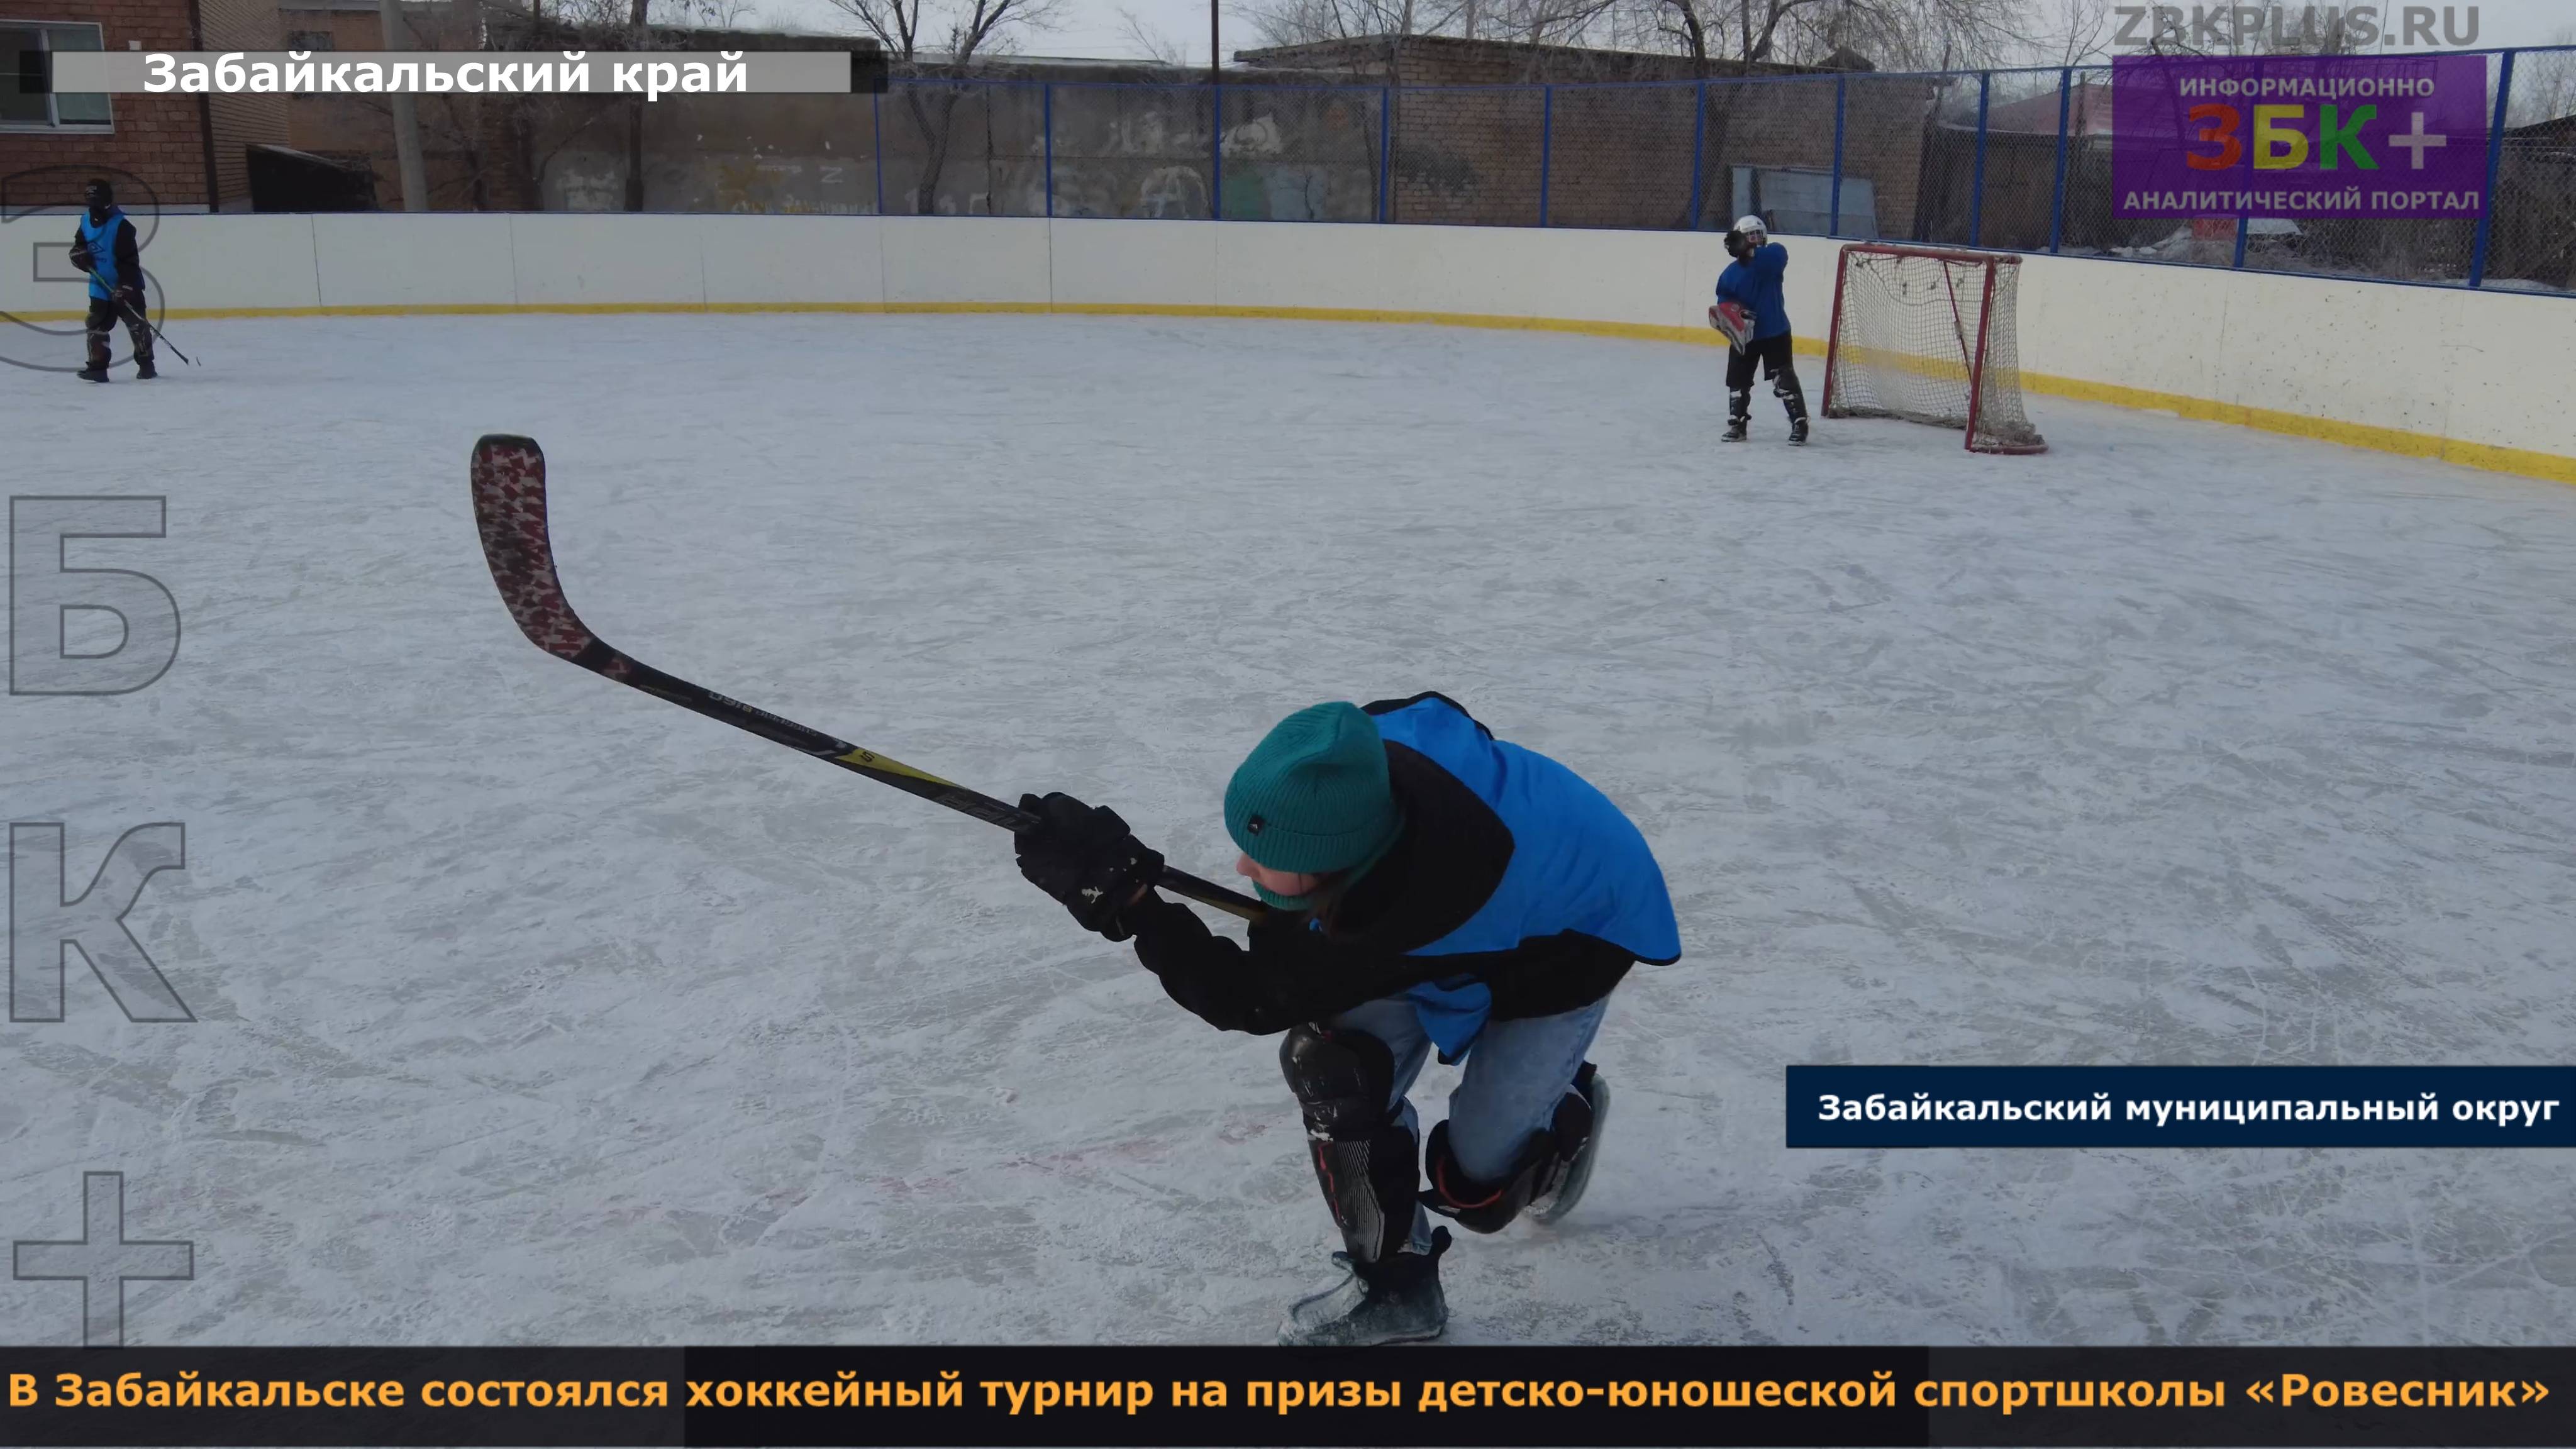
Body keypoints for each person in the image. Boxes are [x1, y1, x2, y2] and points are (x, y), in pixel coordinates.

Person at [1012, 692, 1680, 1346]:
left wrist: (1131, 906)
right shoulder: (1352, 762)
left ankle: (1563, 1117)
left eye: (1273, 859)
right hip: (1465, 896)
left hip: (1572, 939)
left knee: (1480, 1189)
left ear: (1343, 861)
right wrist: (1141, 887)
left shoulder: (1408, 908)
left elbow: (1251, 997)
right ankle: (1396, 1287)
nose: (1244, 868)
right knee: (1334, 1065)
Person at [1714, 214, 1803, 444]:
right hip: (1745, 335)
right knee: (1738, 380)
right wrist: (1735, 315)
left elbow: (1775, 257)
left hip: (1775, 331)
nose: (1753, 240)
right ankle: (1737, 423)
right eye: (1748, 237)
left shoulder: (1774, 255)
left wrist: (1750, 251)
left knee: (1784, 380)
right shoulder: (1730, 274)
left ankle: (1799, 422)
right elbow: (1724, 300)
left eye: (1757, 236)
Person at [69, 178, 153, 382]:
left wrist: (124, 286)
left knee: (137, 326)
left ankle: (146, 365)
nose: (94, 208)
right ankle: (98, 368)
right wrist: (78, 254)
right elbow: (80, 244)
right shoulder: (85, 221)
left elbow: (129, 261)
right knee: (96, 326)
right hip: (99, 285)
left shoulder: (122, 226)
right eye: (91, 202)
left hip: (126, 284)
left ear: (107, 201)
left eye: (98, 201)